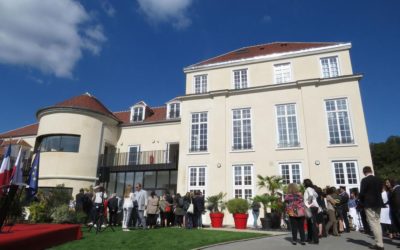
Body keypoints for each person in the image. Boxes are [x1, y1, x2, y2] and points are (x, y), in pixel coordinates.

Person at [359, 166, 384, 250]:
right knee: (377, 222)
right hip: (378, 203)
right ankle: (380, 243)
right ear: (371, 171)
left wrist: (361, 203)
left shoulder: (364, 180)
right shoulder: (378, 179)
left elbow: (362, 193)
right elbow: (380, 190)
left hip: (369, 203)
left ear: (364, 172)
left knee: (373, 223)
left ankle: (379, 244)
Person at [303, 179, 320, 244]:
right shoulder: (312, 189)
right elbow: (316, 195)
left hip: (310, 207)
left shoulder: (308, 189)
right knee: (309, 223)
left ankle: (315, 239)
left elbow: (311, 195)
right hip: (314, 206)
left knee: (312, 223)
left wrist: (308, 202)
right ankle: (309, 238)